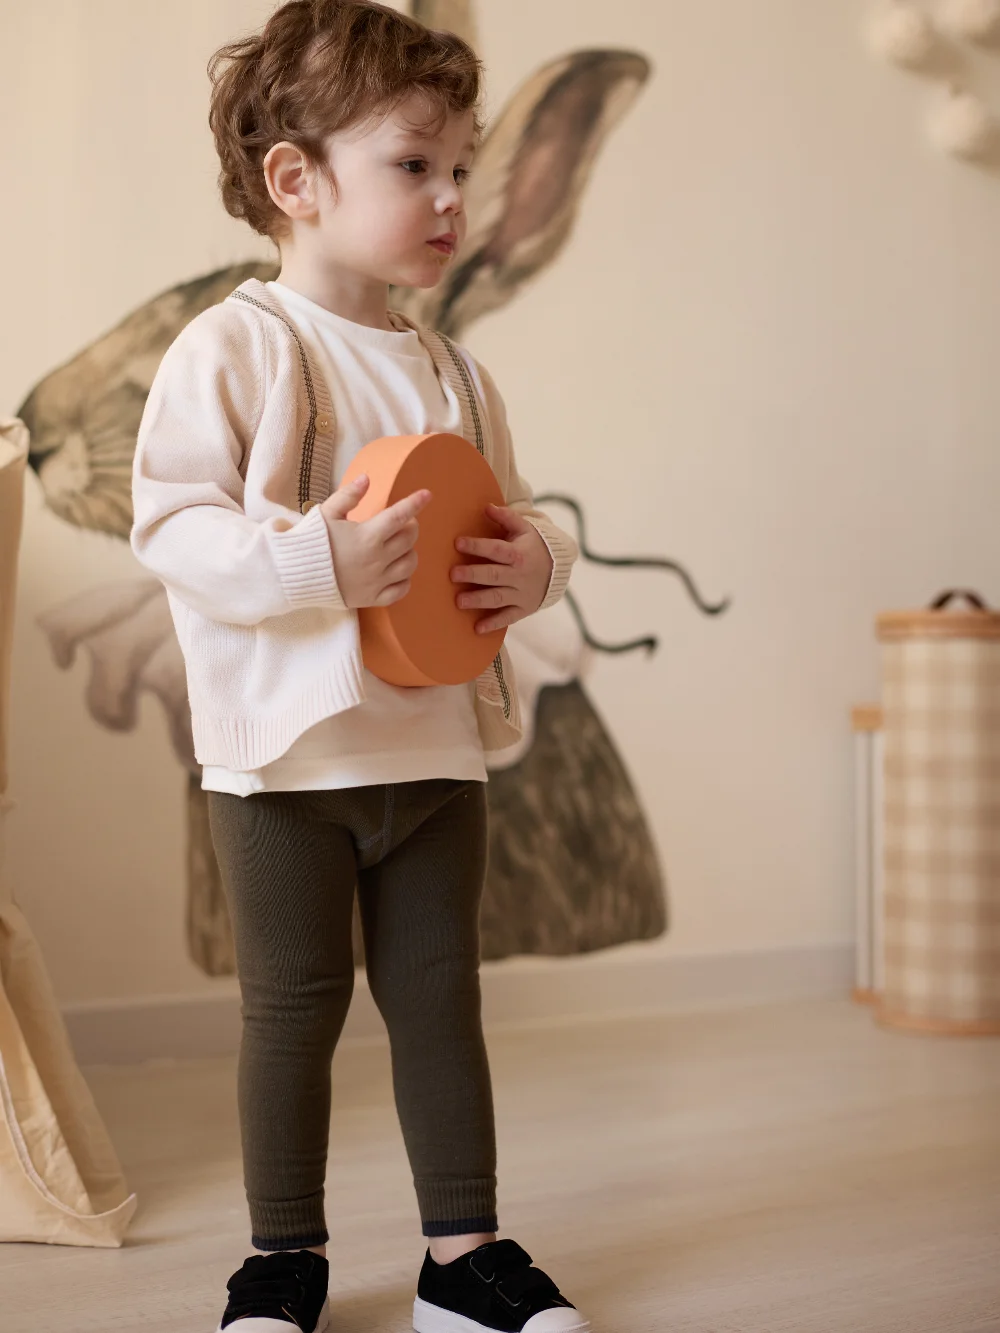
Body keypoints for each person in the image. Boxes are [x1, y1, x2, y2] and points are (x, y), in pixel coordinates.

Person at [130, 3, 585, 1330]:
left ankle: (463, 1257)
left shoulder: (457, 375)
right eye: (414, 164)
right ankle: (282, 1257)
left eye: (463, 168)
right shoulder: (236, 348)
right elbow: (174, 527)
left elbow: (515, 516)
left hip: (433, 750)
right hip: (287, 762)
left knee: (442, 1003)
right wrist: (312, 566)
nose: (453, 199)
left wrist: (540, 563)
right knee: (291, 1012)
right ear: (296, 180)